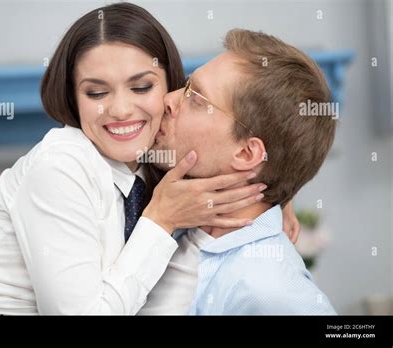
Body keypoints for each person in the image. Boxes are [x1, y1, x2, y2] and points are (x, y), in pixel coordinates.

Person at [0, 3, 270, 316]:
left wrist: (274, 199)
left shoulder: (158, 166)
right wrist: (160, 220)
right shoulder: (63, 162)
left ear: (169, 88)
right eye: (96, 92)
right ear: (73, 97)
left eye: (141, 87)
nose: (119, 110)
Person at [143, 29, 337, 314]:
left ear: (247, 153)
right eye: (185, 85)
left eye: (195, 98)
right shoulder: (176, 217)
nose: (169, 100)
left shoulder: (269, 292)